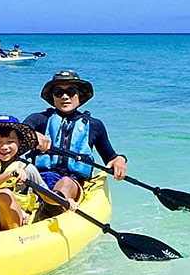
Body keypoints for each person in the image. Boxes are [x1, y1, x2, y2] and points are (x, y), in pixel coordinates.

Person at [23, 69, 127, 207]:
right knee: (46, 178)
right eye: (58, 93)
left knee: (65, 182)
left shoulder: (95, 125)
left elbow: (111, 157)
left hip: (74, 182)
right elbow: (16, 135)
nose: (65, 97)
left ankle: (53, 206)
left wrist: (120, 159)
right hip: (39, 179)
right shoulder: (38, 120)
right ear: (53, 97)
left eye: (71, 91)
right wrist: (32, 135)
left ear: (80, 95)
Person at [0, 115, 75, 229]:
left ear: (19, 142)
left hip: (17, 219)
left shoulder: (28, 168)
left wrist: (65, 201)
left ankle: (14, 233)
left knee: (4, 194)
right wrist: (11, 174)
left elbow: (46, 195)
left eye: (10, 141)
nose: (4, 147)